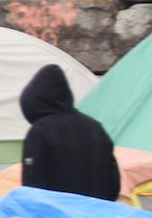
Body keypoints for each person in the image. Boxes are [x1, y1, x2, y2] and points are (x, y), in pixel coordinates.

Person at [18, 63, 120, 201]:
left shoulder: (40, 132)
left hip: (57, 216)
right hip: (96, 216)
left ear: (32, 101)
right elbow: (113, 183)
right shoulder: (96, 128)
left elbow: (32, 186)